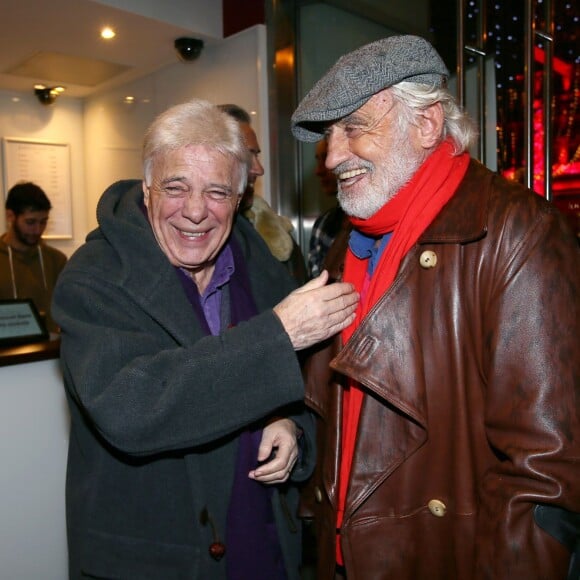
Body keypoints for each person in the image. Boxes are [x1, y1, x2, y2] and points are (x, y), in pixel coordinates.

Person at [291, 35, 580, 579]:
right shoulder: (345, 245)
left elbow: (545, 473)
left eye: (353, 127)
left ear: (426, 124)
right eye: (328, 137)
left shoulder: (517, 231)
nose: (331, 158)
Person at [51, 99, 358, 580]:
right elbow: (131, 408)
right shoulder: (95, 277)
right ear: (148, 188)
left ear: (240, 199)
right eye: (176, 187)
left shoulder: (258, 260)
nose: (195, 211)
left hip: (262, 543)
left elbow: (306, 385)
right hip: (152, 560)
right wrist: (277, 335)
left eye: (217, 192)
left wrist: (290, 425)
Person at [218, 103, 308, 284]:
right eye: (246, 156)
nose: (259, 169)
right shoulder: (193, 237)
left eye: (256, 155)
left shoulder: (278, 234)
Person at [0, 181, 67, 333]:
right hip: (7, 355)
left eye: (43, 222)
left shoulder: (57, 261)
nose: (37, 230)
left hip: (49, 353)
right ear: (10, 216)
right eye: (30, 222)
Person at [307, 138, 347, 279]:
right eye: (319, 160)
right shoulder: (323, 225)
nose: (318, 170)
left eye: (326, 156)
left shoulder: (381, 221)